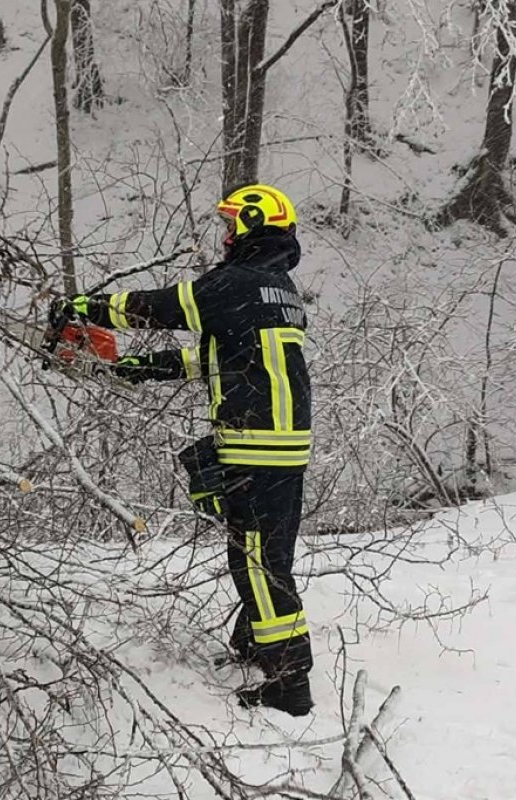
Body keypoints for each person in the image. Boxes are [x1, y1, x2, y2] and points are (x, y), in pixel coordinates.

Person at [49, 184, 315, 716]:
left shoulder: (236, 280)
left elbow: (163, 307)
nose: (224, 234)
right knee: (268, 557)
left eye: (231, 223)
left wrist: (90, 308)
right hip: (284, 445)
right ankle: (257, 644)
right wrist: (132, 369)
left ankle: (290, 683)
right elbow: (214, 358)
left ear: (251, 224)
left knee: (258, 564)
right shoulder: (281, 289)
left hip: (256, 444)